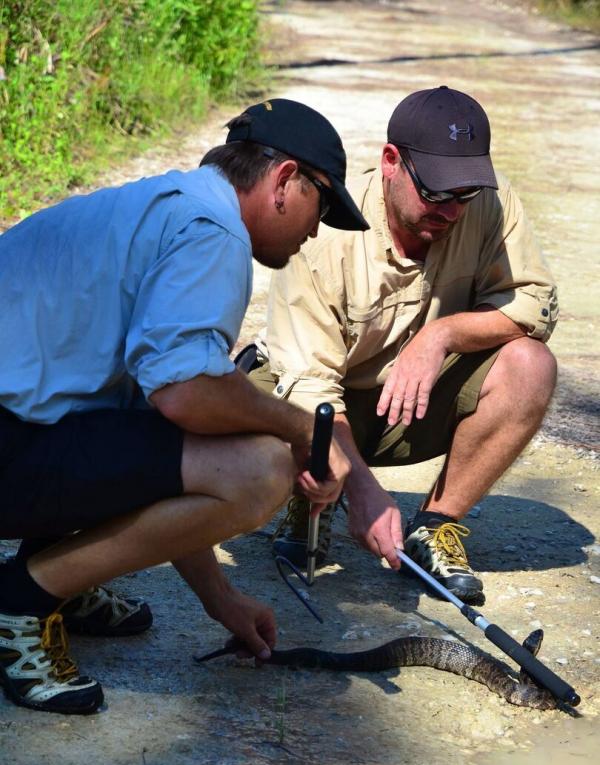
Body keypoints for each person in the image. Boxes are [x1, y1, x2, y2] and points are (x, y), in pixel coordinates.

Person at [0, 98, 366, 714]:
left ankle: (63, 572)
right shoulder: (214, 231)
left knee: (149, 424)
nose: (315, 232)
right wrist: (301, 430)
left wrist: (220, 599)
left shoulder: (164, 206)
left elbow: (157, 429)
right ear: (283, 181)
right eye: (322, 205)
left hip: (20, 430)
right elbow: (185, 394)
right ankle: (22, 599)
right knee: (261, 468)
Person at [250, 86, 558, 605]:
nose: (453, 210)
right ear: (391, 162)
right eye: (437, 192)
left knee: (531, 364)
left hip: (411, 402)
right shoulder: (324, 232)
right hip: (325, 410)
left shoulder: (491, 201)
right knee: (250, 417)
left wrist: (442, 336)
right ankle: (313, 501)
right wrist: (363, 491)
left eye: (465, 194)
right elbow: (308, 386)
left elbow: (536, 302)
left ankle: (435, 527)